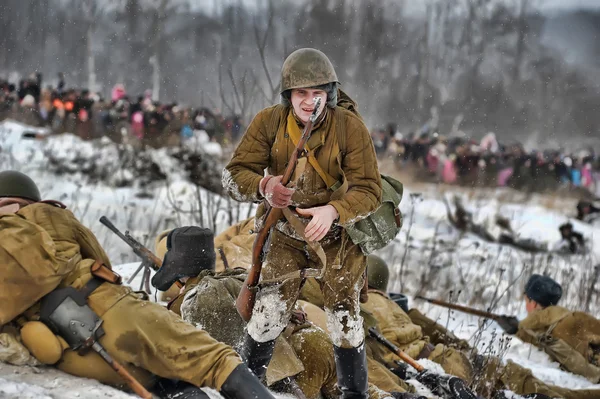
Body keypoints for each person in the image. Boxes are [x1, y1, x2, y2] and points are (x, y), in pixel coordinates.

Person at [0, 170, 276, 399]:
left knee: (158, 384)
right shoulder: (51, 215)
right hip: (114, 309)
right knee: (212, 362)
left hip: (67, 342)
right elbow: (100, 261)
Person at [222, 47, 382, 397]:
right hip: (284, 232)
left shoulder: (349, 127)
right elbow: (234, 175)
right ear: (288, 96)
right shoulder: (269, 122)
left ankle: (353, 394)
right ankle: (247, 389)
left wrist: (334, 211)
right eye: (301, 93)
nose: (310, 102)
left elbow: (371, 190)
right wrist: (264, 186)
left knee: (345, 321)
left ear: (331, 94)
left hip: (339, 239)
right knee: (266, 316)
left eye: (318, 93)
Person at [153, 228, 418, 399]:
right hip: (314, 342)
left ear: (177, 269)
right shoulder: (239, 279)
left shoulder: (192, 302)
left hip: (296, 366)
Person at [362, 256, 600, 399]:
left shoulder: (361, 309)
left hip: (440, 368)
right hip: (451, 362)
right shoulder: (393, 306)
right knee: (542, 388)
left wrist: (519, 329)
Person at [498, 274, 600, 384]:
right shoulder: (576, 318)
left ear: (534, 303)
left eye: (526, 301)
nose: (526, 306)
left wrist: (517, 330)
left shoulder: (533, 333)